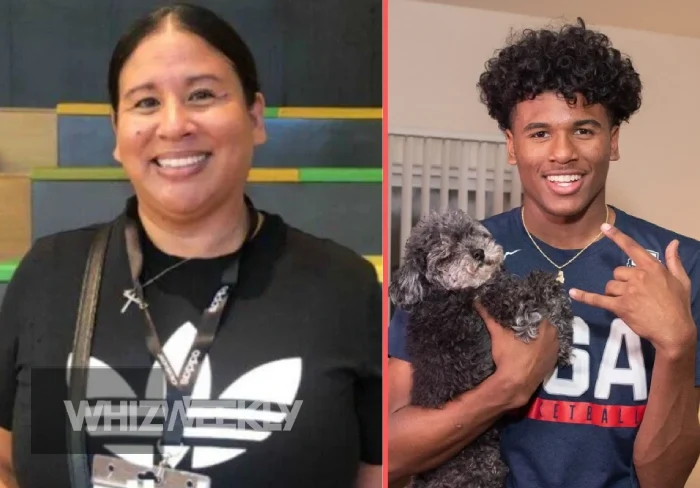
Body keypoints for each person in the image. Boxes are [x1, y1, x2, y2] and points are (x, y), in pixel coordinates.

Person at [0, 4, 382, 488]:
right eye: (145, 103)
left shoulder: (342, 284)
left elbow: (373, 475)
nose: (174, 124)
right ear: (117, 132)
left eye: (202, 95)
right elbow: (7, 462)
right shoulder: (49, 274)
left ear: (255, 117)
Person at [388, 18, 700, 488]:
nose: (562, 153)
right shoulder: (454, 263)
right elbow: (389, 457)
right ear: (512, 147)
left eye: (584, 130)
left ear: (612, 141)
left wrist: (677, 348)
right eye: (539, 133)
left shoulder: (682, 266)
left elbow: (664, 481)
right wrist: (506, 388)